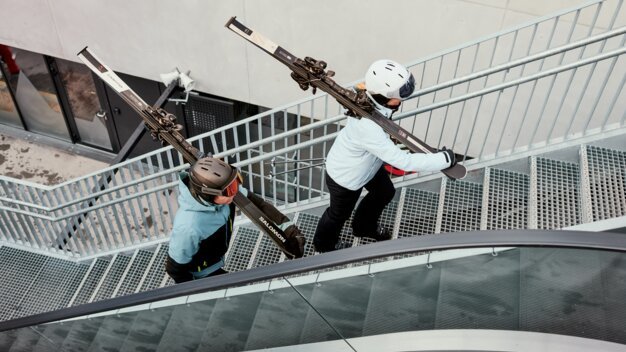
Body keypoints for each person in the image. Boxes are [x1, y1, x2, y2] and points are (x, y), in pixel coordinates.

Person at [313, 59, 457, 253]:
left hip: (368, 164)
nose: (401, 101)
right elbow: (403, 161)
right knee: (338, 214)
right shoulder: (368, 126)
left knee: (384, 192)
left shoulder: (365, 98)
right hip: (345, 177)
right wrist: (443, 160)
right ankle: (324, 246)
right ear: (382, 96)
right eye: (399, 96)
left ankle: (363, 227)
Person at [165, 157, 305, 283]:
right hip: (202, 274)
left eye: (235, 183)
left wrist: (289, 230)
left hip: (215, 258)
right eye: (230, 190)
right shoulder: (188, 227)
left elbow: (259, 206)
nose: (235, 191)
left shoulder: (224, 193)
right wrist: (194, 289)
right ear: (209, 195)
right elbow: (175, 269)